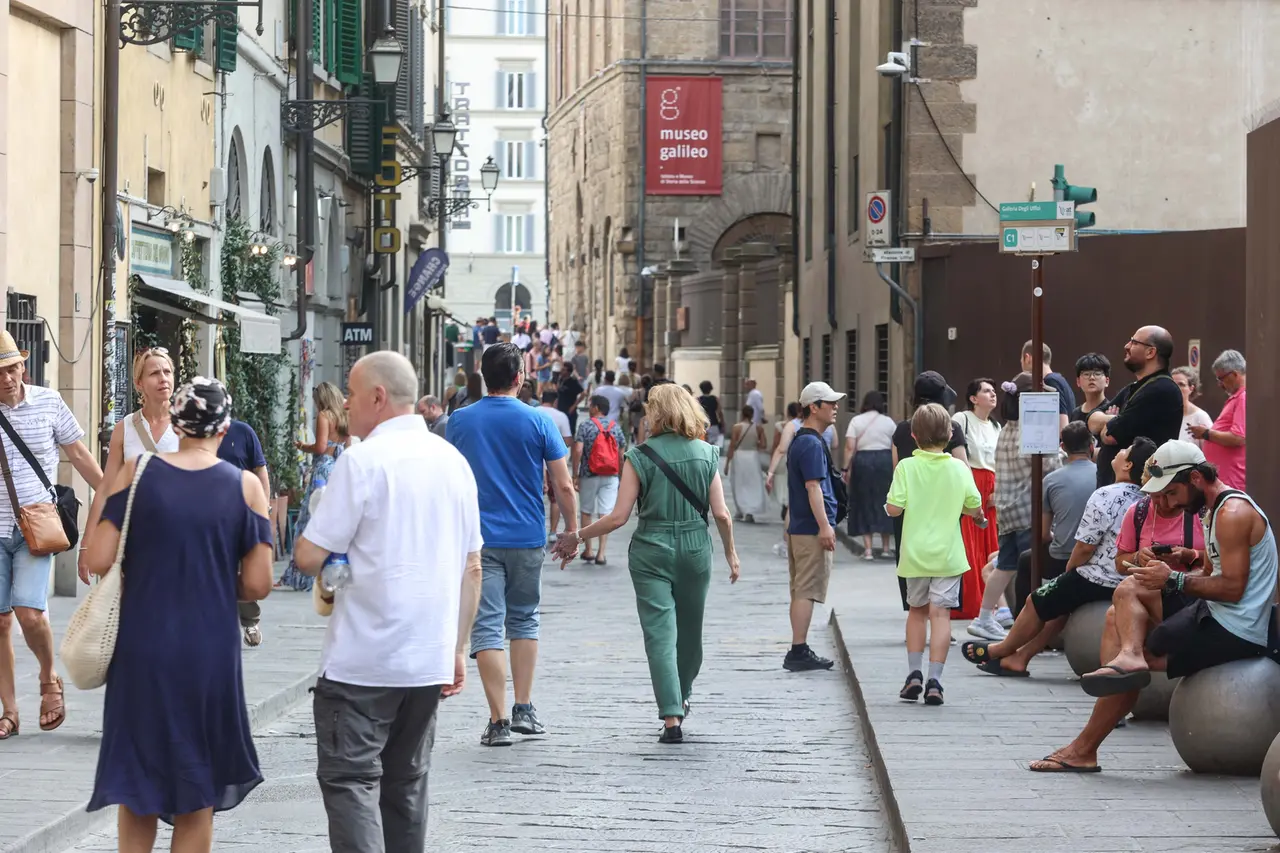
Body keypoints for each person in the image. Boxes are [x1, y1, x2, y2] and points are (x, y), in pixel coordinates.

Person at [293, 353, 483, 849]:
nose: (346, 407)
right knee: (406, 785)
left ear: (378, 398)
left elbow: (309, 554)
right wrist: (458, 649)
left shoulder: (361, 461)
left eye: (352, 396)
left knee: (351, 780)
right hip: (426, 658)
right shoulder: (454, 462)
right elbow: (473, 568)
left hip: (362, 660)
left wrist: (337, 554)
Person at [83, 377, 273, 851]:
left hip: (143, 645)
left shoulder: (137, 471)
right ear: (225, 428)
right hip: (209, 649)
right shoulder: (245, 485)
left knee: (139, 786)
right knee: (197, 787)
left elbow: (99, 558)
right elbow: (258, 584)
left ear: (177, 421)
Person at [1032, 440, 1277, 773]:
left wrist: (1172, 580)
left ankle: (1084, 746)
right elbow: (1214, 570)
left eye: (1170, 493)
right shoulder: (1214, 507)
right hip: (1213, 612)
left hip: (1235, 628)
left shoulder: (1232, 513)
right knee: (1130, 591)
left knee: (1132, 655)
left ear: (1194, 479)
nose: (1164, 502)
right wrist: (1187, 558)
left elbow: (1233, 588)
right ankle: (1127, 659)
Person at [552, 384, 739, 743]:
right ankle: (682, 694)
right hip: (695, 547)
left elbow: (618, 517)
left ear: (655, 414)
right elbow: (722, 514)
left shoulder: (640, 456)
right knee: (690, 633)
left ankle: (672, 716)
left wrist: (577, 535)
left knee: (659, 634)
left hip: (651, 548)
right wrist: (731, 552)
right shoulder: (707, 453)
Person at [447, 343, 577, 746]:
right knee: (524, 619)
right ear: (520, 378)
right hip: (526, 535)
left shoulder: (459, 421)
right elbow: (564, 484)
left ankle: (498, 721)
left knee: (486, 625)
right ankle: (524, 708)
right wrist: (571, 530)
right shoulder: (539, 422)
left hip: (478, 538)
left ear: (483, 375)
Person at [962, 436, 1158, 678]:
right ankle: (1018, 658)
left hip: (1097, 577)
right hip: (1128, 581)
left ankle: (1000, 648)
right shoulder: (1149, 498)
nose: (1117, 453)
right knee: (1061, 606)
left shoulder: (1105, 495)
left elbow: (1085, 547)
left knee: (1038, 599)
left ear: (1128, 465)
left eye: (1124, 450)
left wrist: (1069, 571)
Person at [0, 330, 103, 739]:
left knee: (27, 612)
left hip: (36, 527)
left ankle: (48, 677)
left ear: (23, 365)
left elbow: (79, 454)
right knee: (0, 623)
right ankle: (9, 710)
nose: (8, 378)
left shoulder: (47, 402)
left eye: (12, 368)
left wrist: (114, 498)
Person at [886, 403, 986, 705]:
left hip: (915, 553)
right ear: (950, 434)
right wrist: (977, 516)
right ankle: (935, 681)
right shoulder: (959, 468)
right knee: (941, 615)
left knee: (917, 612)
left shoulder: (906, 467)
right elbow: (973, 506)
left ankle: (913, 675)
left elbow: (894, 507)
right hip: (948, 554)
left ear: (914, 436)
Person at [968, 374, 1062, 642]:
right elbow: (1049, 466)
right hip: (1027, 509)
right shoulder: (1031, 427)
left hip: (1007, 509)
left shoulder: (1007, 427)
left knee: (1006, 565)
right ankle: (1028, 629)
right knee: (1028, 569)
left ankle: (984, 617)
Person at [81, 347, 180, 585]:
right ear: (139, 383)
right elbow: (106, 489)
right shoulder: (125, 428)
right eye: (155, 373)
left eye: (167, 371)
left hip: (177, 532)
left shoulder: (185, 425)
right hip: (131, 534)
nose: (163, 378)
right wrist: (87, 545)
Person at [783, 381, 845, 673]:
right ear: (813, 407)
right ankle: (799, 649)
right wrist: (824, 526)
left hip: (801, 526)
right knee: (806, 589)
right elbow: (812, 488)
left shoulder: (802, 439)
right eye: (829, 403)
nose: (835, 408)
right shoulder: (809, 443)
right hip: (810, 528)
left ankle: (799, 647)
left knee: (801, 588)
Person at [1088, 325, 1183, 488]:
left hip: (1137, 492)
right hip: (1114, 490)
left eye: (1134, 342)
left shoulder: (1160, 389)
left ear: (1150, 352)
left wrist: (1107, 426)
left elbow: (1110, 435)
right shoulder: (1135, 388)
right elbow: (1091, 419)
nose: (1126, 346)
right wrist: (1113, 419)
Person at [279, 381, 349, 592]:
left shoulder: (324, 416)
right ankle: (328, 573)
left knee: (309, 519)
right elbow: (348, 447)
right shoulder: (344, 417)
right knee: (331, 521)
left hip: (322, 470)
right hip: (337, 468)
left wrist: (303, 446)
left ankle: (302, 577)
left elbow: (320, 447)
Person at [216, 418, 273, 648]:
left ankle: (250, 619)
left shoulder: (243, 432)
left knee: (240, 568)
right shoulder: (194, 433)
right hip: (206, 510)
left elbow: (261, 470)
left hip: (241, 510)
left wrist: (264, 508)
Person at [952, 378, 1001, 615]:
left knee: (989, 541)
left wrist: (998, 489)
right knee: (968, 541)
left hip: (991, 484)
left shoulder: (996, 426)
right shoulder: (962, 420)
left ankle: (989, 601)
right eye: (986, 391)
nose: (993, 394)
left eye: (993, 391)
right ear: (973, 398)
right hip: (970, 480)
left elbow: (1000, 461)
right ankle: (968, 601)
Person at [571, 396, 627, 565]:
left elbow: (578, 450)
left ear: (596, 408)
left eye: (590, 405)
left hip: (589, 474)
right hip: (611, 475)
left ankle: (588, 550)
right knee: (606, 513)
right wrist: (621, 475)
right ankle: (601, 553)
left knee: (586, 511)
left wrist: (575, 473)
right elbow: (622, 453)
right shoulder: (615, 427)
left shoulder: (586, 425)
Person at [844, 390, 897, 561]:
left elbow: (850, 447)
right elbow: (894, 446)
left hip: (863, 461)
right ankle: (886, 548)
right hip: (884, 461)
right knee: (884, 501)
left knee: (863, 501)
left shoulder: (856, 421)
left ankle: (867, 550)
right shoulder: (889, 422)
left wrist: (846, 468)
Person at [1041, 422, 1097, 576]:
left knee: (1025, 562)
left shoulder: (1050, 480)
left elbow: (1044, 534)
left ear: (1063, 447)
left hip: (1061, 556)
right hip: (1097, 555)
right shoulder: (1105, 475)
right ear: (1091, 446)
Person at [1188, 349, 1247, 490]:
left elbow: (1238, 437)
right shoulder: (1236, 398)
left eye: (1221, 378)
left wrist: (1206, 433)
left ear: (1234, 374)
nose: (1220, 384)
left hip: (1232, 480)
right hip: (1225, 480)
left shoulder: (1243, 397)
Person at [537, 389, 573, 543]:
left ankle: (536, 529)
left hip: (535, 464)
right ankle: (552, 531)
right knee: (555, 498)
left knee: (534, 496)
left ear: (541, 398)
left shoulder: (532, 412)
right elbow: (569, 440)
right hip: (554, 464)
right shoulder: (561, 416)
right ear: (555, 401)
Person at [725, 405, 768, 524]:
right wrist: (754, 445)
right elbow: (764, 444)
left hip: (740, 457)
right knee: (752, 483)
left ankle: (740, 509)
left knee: (739, 483)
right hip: (752, 457)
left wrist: (727, 463)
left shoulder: (737, 427)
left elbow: (732, 445)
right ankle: (750, 511)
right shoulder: (758, 428)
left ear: (742, 414)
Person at [1021, 341, 1072, 429]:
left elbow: (1062, 426)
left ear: (1027, 358)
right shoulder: (1060, 380)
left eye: (1021, 361)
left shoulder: (1049, 382)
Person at [1171, 366, 1212, 449]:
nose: (1176, 388)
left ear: (1191, 388)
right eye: (1173, 384)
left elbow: (1210, 450)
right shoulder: (1162, 414)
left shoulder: (1200, 417)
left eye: (1181, 384)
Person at [1070, 352, 1112, 431]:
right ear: (1078, 381)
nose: (1092, 378)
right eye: (1086, 374)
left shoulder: (1111, 411)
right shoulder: (1075, 413)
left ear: (1107, 381)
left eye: (1097, 373)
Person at [557, 367, 586, 434]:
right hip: (560, 409)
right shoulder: (560, 380)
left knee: (570, 431)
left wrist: (574, 406)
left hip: (569, 410)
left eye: (564, 369)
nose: (561, 371)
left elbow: (583, 394)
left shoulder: (573, 382)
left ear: (569, 372)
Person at [697, 381, 725, 446]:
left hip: (703, 424)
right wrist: (723, 425)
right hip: (714, 423)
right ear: (711, 389)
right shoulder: (715, 399)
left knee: (704, 444)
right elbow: (720, 413)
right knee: (714, 444)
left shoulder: (699, 400)